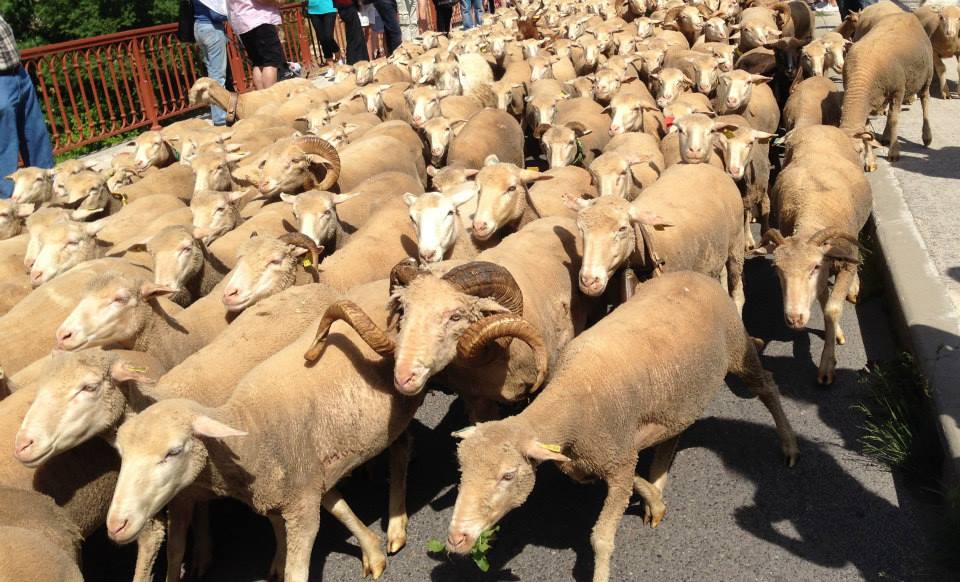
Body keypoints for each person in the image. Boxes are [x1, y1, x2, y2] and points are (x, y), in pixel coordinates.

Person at [0, 15, 53, 198]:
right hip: (1, 82)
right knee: (5, 145)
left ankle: (48, 189)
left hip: (19, 74)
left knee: (35, 134)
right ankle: (6, 203)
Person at [227, 0, 284, 90]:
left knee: (258, 63)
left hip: (242, 22)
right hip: (259, 19)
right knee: (271, 62)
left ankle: (262, 98)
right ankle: (270, 98)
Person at [193, 0, 229, 125]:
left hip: (199, 27)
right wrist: (233, 13)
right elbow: (216, 14)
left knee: (212, 75)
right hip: (212, 29)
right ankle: (221, 118)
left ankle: (217, 114)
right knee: (218, 77)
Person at [307, 0, 341, 67]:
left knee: (328, 37)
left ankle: (337, 51)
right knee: (322, 39)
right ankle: (331, 66)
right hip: (313, 10)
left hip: (329, 8)